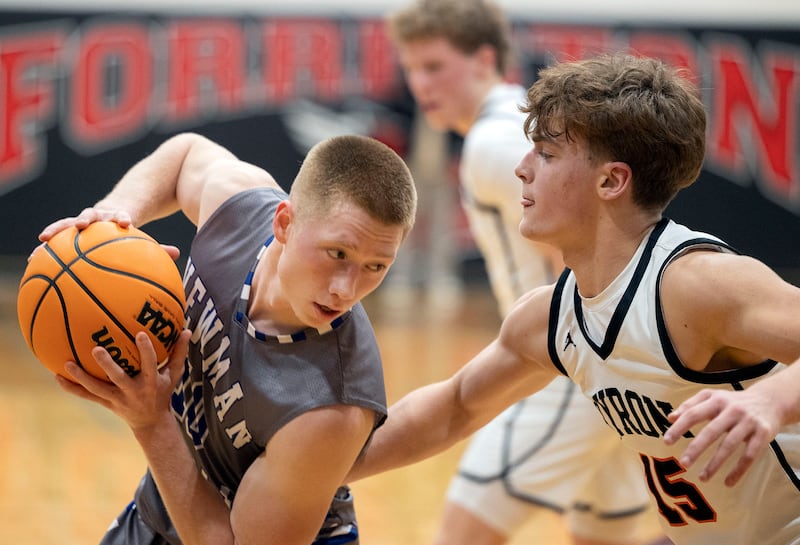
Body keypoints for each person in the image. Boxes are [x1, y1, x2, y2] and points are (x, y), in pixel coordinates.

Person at [347, 53, 800, 545]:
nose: (521, 169)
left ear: (611, 181)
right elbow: (452, 408)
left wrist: (770, 400)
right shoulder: (551, 317)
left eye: (545, 153)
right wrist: (317, 468)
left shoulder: (696, 284)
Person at [36, 132, 418, 545]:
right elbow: (185, 156)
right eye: (338, 253)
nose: (347, 288)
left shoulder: (331, 405)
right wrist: (116, 216)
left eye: (376, 266)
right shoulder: (238, 207)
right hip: (171, 499)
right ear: (284, 222)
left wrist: (151, 424)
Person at [386, 2, 666, 544]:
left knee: (461, 534)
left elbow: (591, 254)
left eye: (434, 66)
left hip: (568, 368)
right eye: (412, 68)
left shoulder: (495, 143)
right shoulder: (517, 126)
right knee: (602, 538)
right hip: (612, 372)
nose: (421, 83)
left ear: (483, 58)